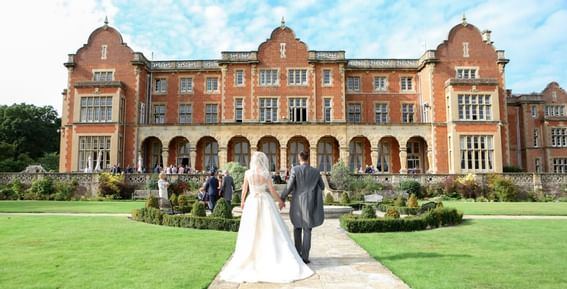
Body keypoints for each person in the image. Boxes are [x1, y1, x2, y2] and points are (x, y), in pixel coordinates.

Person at [219, 151, 313, 283]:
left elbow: (244, 189)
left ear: (253, 161)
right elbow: (272, 191)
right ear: (263, 161)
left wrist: (242, 202)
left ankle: (253, 255)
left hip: (252, 201)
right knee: (269, 228)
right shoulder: (265, 174)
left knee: (252, 229)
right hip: (265, 200)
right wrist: (280, 201)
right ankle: (271, 254)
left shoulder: (247, 173)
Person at [280, 150, 325, 264]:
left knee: (297, 227)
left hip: (297, 203)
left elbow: (289, 186)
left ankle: (297, 254)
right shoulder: (316, 171)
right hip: (310, 203)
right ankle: (305, 257)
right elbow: (323, 186)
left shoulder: (295, 169)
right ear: (308, 158)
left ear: (299, 158)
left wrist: (282, 197)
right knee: (307, 229)